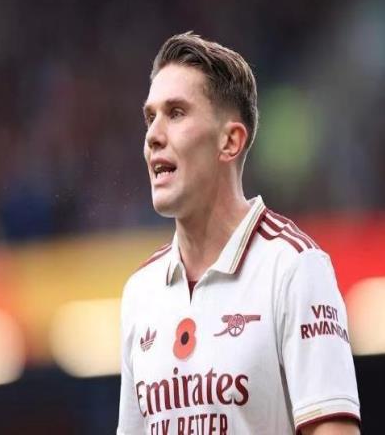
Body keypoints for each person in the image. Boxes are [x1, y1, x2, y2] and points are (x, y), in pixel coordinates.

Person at [117, 32, 360, 435]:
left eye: (176, 113)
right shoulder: (140, 293)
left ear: (230, 141)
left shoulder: (294, 268)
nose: (153, 136)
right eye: (150, 117)